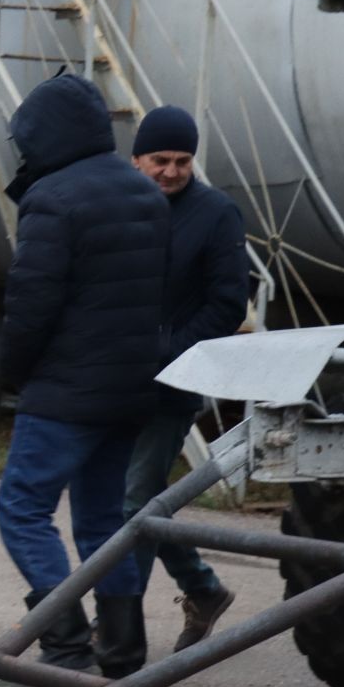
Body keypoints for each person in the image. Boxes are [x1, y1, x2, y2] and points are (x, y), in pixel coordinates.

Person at [0, 73, 169, 687]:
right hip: (129, 388)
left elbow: (31, 301)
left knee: (22, 508)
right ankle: (120, 651)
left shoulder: (53, 198)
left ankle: (63, 644)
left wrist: (13, 371)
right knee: (103, 520)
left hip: (67, 389)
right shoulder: (144, 193)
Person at [121, 106, 250, 658]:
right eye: (160, 160)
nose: (172, 171)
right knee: (138, 503)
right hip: (112, 380)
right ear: (137, 159)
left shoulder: (217, 214)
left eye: (182, 160)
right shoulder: (120, 205)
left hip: (172, 384)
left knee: (134, 505)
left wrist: (167, 354)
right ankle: (202, 588)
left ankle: (116, 630)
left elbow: (228, 302)